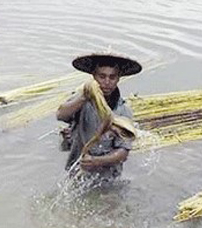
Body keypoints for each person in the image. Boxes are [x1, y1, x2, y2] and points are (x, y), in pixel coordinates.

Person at [57, 52, 142, 181]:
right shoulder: (82, 100)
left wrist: (97, 161)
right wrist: (84, 97)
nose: (107, 82)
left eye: (112, 77)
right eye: (102, 77)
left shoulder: (123, 112)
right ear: (94, 77)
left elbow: (123, 153)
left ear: (118, 79)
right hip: (77, 172)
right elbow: (61, 114)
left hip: (107, 178)